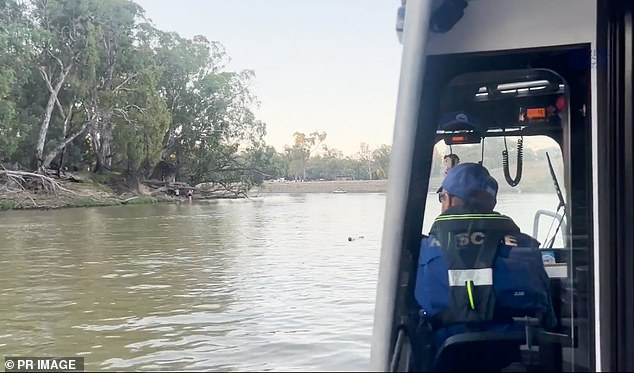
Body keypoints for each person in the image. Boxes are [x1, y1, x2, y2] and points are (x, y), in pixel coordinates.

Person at [414, 162, 555, 371]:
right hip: (506, 359)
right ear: (491, 202)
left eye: (442, 197)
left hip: (443, 360)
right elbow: (548, 316)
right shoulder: (525, 248)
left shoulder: (422, 251)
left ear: (450, 199)